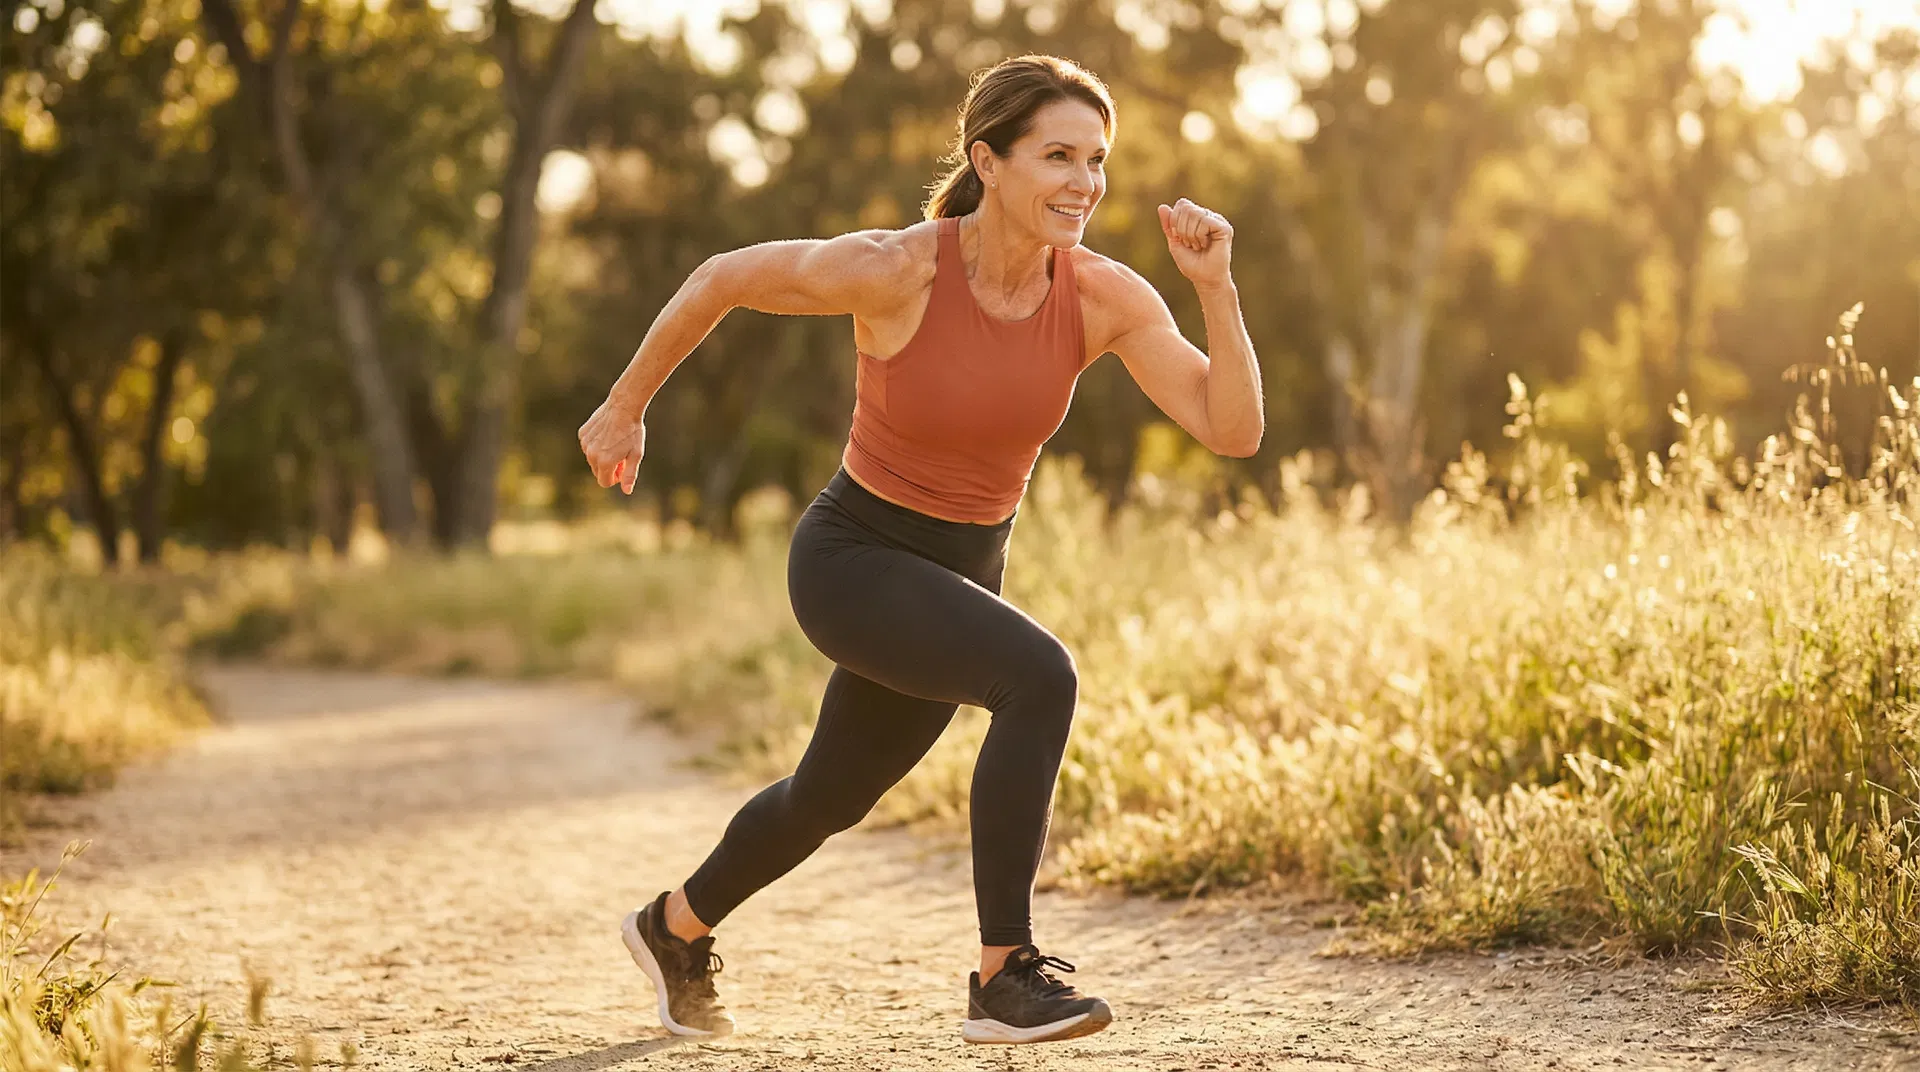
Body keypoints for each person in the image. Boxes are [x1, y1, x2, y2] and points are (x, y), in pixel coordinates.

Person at [577, 53, 1263, 1046]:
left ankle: (672, 927)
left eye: (1098, 160)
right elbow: (722, 277)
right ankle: (1004, 974)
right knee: (1041, 676)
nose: (1086, 182)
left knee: (829, 796)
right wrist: (623, 407)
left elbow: (1230, 428)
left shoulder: (1104, 294)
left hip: (957, 572)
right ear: (989, 161)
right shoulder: (898, 267)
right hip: (854, 557)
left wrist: (1218, 289)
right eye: (1058, 155)